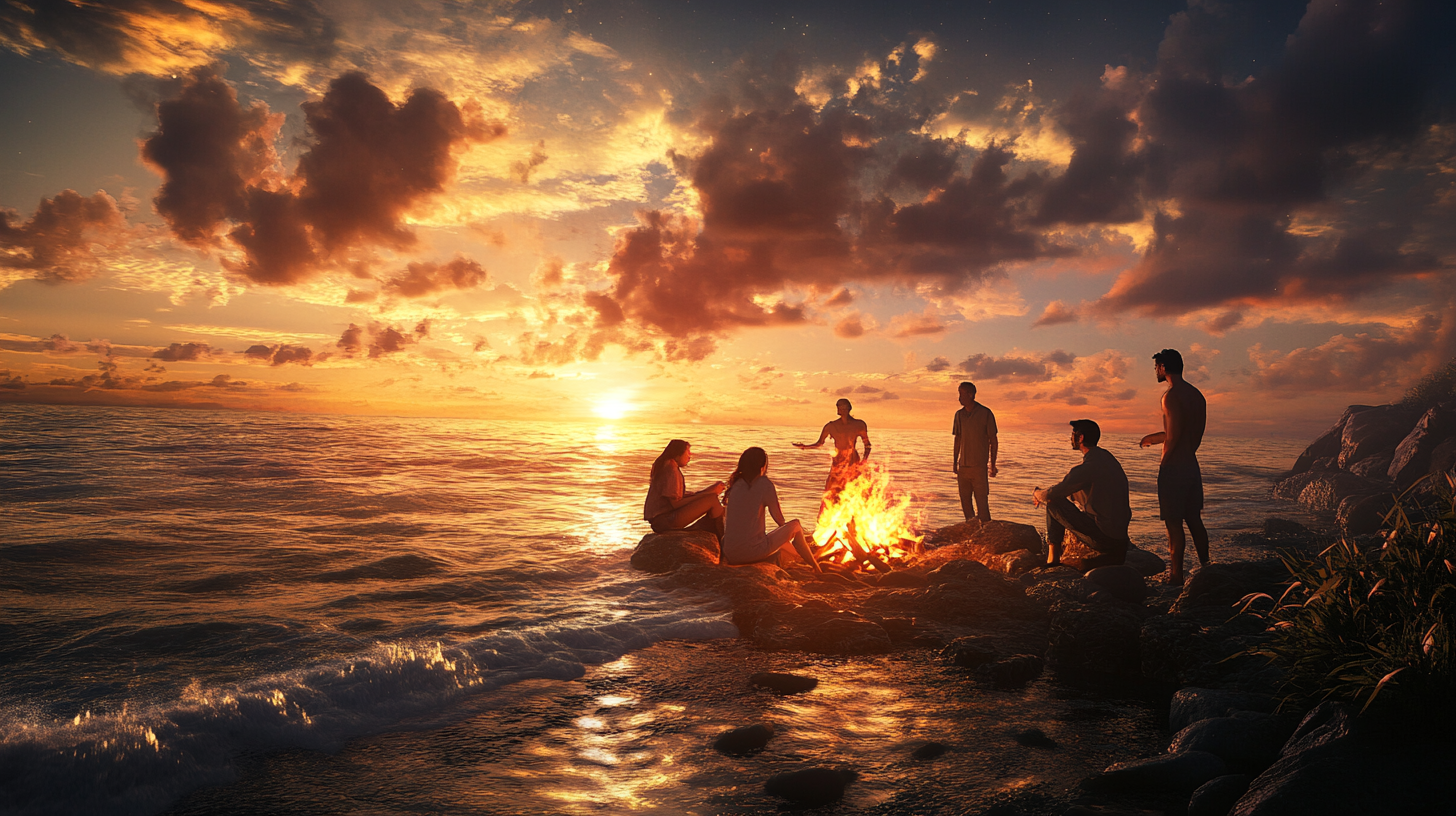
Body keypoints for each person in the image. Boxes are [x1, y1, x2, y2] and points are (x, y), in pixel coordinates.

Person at [1139, 348, 1209, 586]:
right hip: (1191, 464)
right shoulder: (1197, 395)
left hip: (1175, 468)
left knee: (1173, 523)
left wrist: (1165, 462)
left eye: (1156, 367)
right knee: (1194, 519)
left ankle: (1176, 576)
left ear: (1163, 368)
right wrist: (1155, 438)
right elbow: (1187, 433)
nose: (1155, 371)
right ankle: (1206, 566)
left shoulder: (1171, 396)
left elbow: (1175, 434)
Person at [1032, 419, 1131, 569]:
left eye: (1073, 434)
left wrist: (1037, 493)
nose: (1070, 438)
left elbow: (1051, 495)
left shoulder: (1088, 467)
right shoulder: (1107, 459)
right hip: (1121, 539)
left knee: (1054, 503)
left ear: (1081, 438)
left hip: (1105, 538)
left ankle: (1052, 560)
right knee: (1058, 498)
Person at [721, 447, 823, 572]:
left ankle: (798, 558)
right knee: (796, 525)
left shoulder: (736, 484)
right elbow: (780, 521)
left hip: (730, 553)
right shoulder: (764, 484)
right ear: (763, 466)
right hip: (750, 553)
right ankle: (816, 567)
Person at [643, 439, 725, 537]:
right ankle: (722, 538)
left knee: (711, 498)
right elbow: (675, 504)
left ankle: (712, 532)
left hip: (661, 521)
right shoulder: (670, 469)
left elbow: (678, 497)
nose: (690, 456)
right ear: (678, 454)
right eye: (688, 453)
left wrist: (707, 491)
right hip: (665, 521)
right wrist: (709, 493)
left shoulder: (666, 465)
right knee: (712, 499)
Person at [794, 398, 872, 498]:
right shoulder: (831, 426)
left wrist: (863, 462)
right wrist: (805, 447)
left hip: (853, 460)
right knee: (831, 491)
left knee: (853, 490)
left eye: (842, 406)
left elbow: (868, 445)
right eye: (838, 406)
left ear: (848, 408)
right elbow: (819, 443)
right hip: (838, 460)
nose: (839, 408)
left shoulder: (859, 424)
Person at [952, 381, 999, 522]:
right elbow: (957, 439)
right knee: (965, 504)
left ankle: (987, 534)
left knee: (982, 504)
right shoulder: (959, 415)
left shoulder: (985, 413)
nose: (959, 398)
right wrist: (954, 462)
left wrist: (993, 464)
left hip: (979, 467)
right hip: (963, 467)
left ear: (970, 395)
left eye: (961, 394)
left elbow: (993, 440)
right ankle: (972, 534)